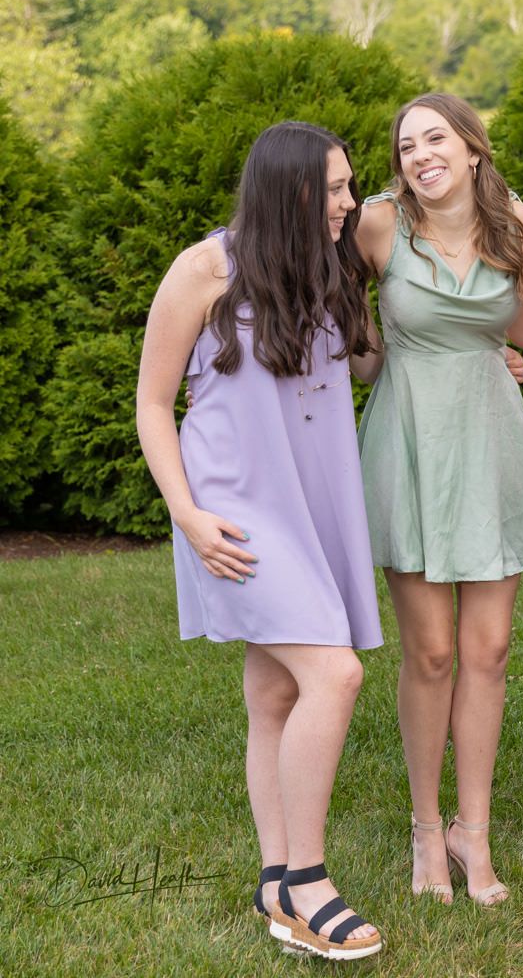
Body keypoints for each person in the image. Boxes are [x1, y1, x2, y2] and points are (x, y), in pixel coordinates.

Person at [137, 121, 384, 961]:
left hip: (314, 505)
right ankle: (311, 880)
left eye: (352, 188)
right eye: (338, 189)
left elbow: (362, 364)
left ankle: (275, 879)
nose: (350, 203)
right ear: (290, 189)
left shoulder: (331, 265)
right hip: (234, 513)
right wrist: (187, 515)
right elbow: (151, 403)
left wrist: (469, 352)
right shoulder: (203, 268)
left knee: (276, 694)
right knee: (335, 671)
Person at [354, 92, 523, 907]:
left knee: (489, 651)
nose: (420, 154)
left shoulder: (519, 226)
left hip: (492, 439)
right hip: (411, 440)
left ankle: (473, 831)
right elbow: (353, 340)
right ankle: (426, 828)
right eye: (407, 144)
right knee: (430, 652)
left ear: (471, 149)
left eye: (435, 139)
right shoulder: (377, 225)